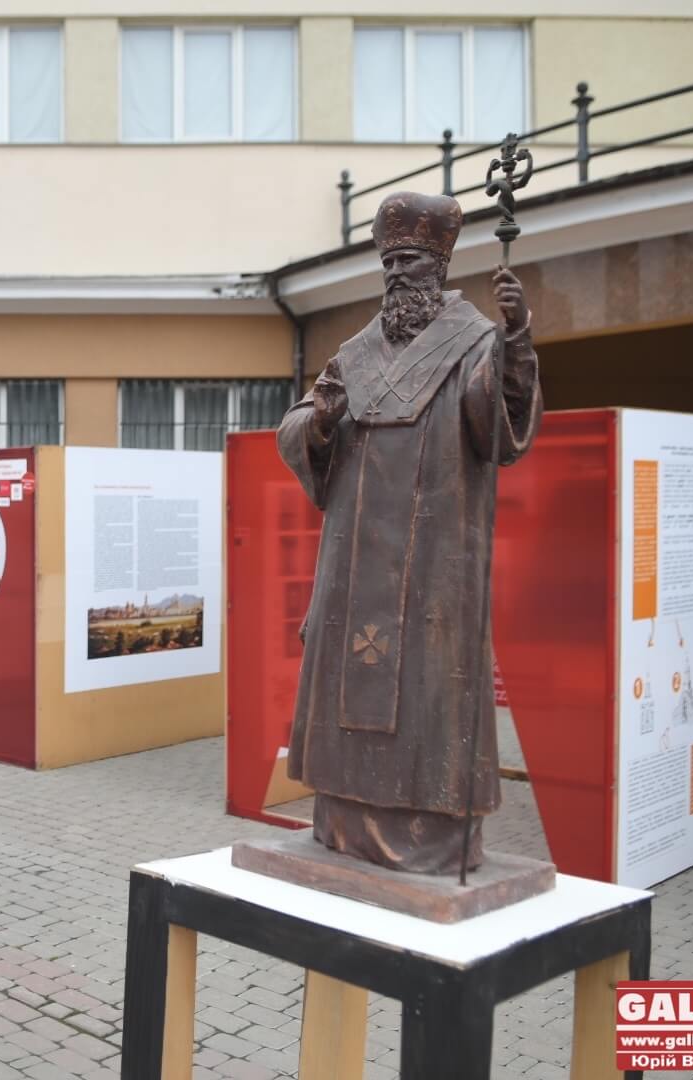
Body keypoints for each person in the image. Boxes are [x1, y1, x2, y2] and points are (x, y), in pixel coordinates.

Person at [277, 192, 542, 875]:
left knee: (430, 694)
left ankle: (431, 840)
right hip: (353, 566)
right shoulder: (352, 355)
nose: (397, 274)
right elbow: (295, 427)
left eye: (411, 262)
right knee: (346, 686)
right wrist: (320, 421)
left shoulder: (474, 344)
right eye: (390, 262)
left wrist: (516, 340)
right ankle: (341, 822)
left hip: (433, 567)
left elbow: (500, 428)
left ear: (439, 267)